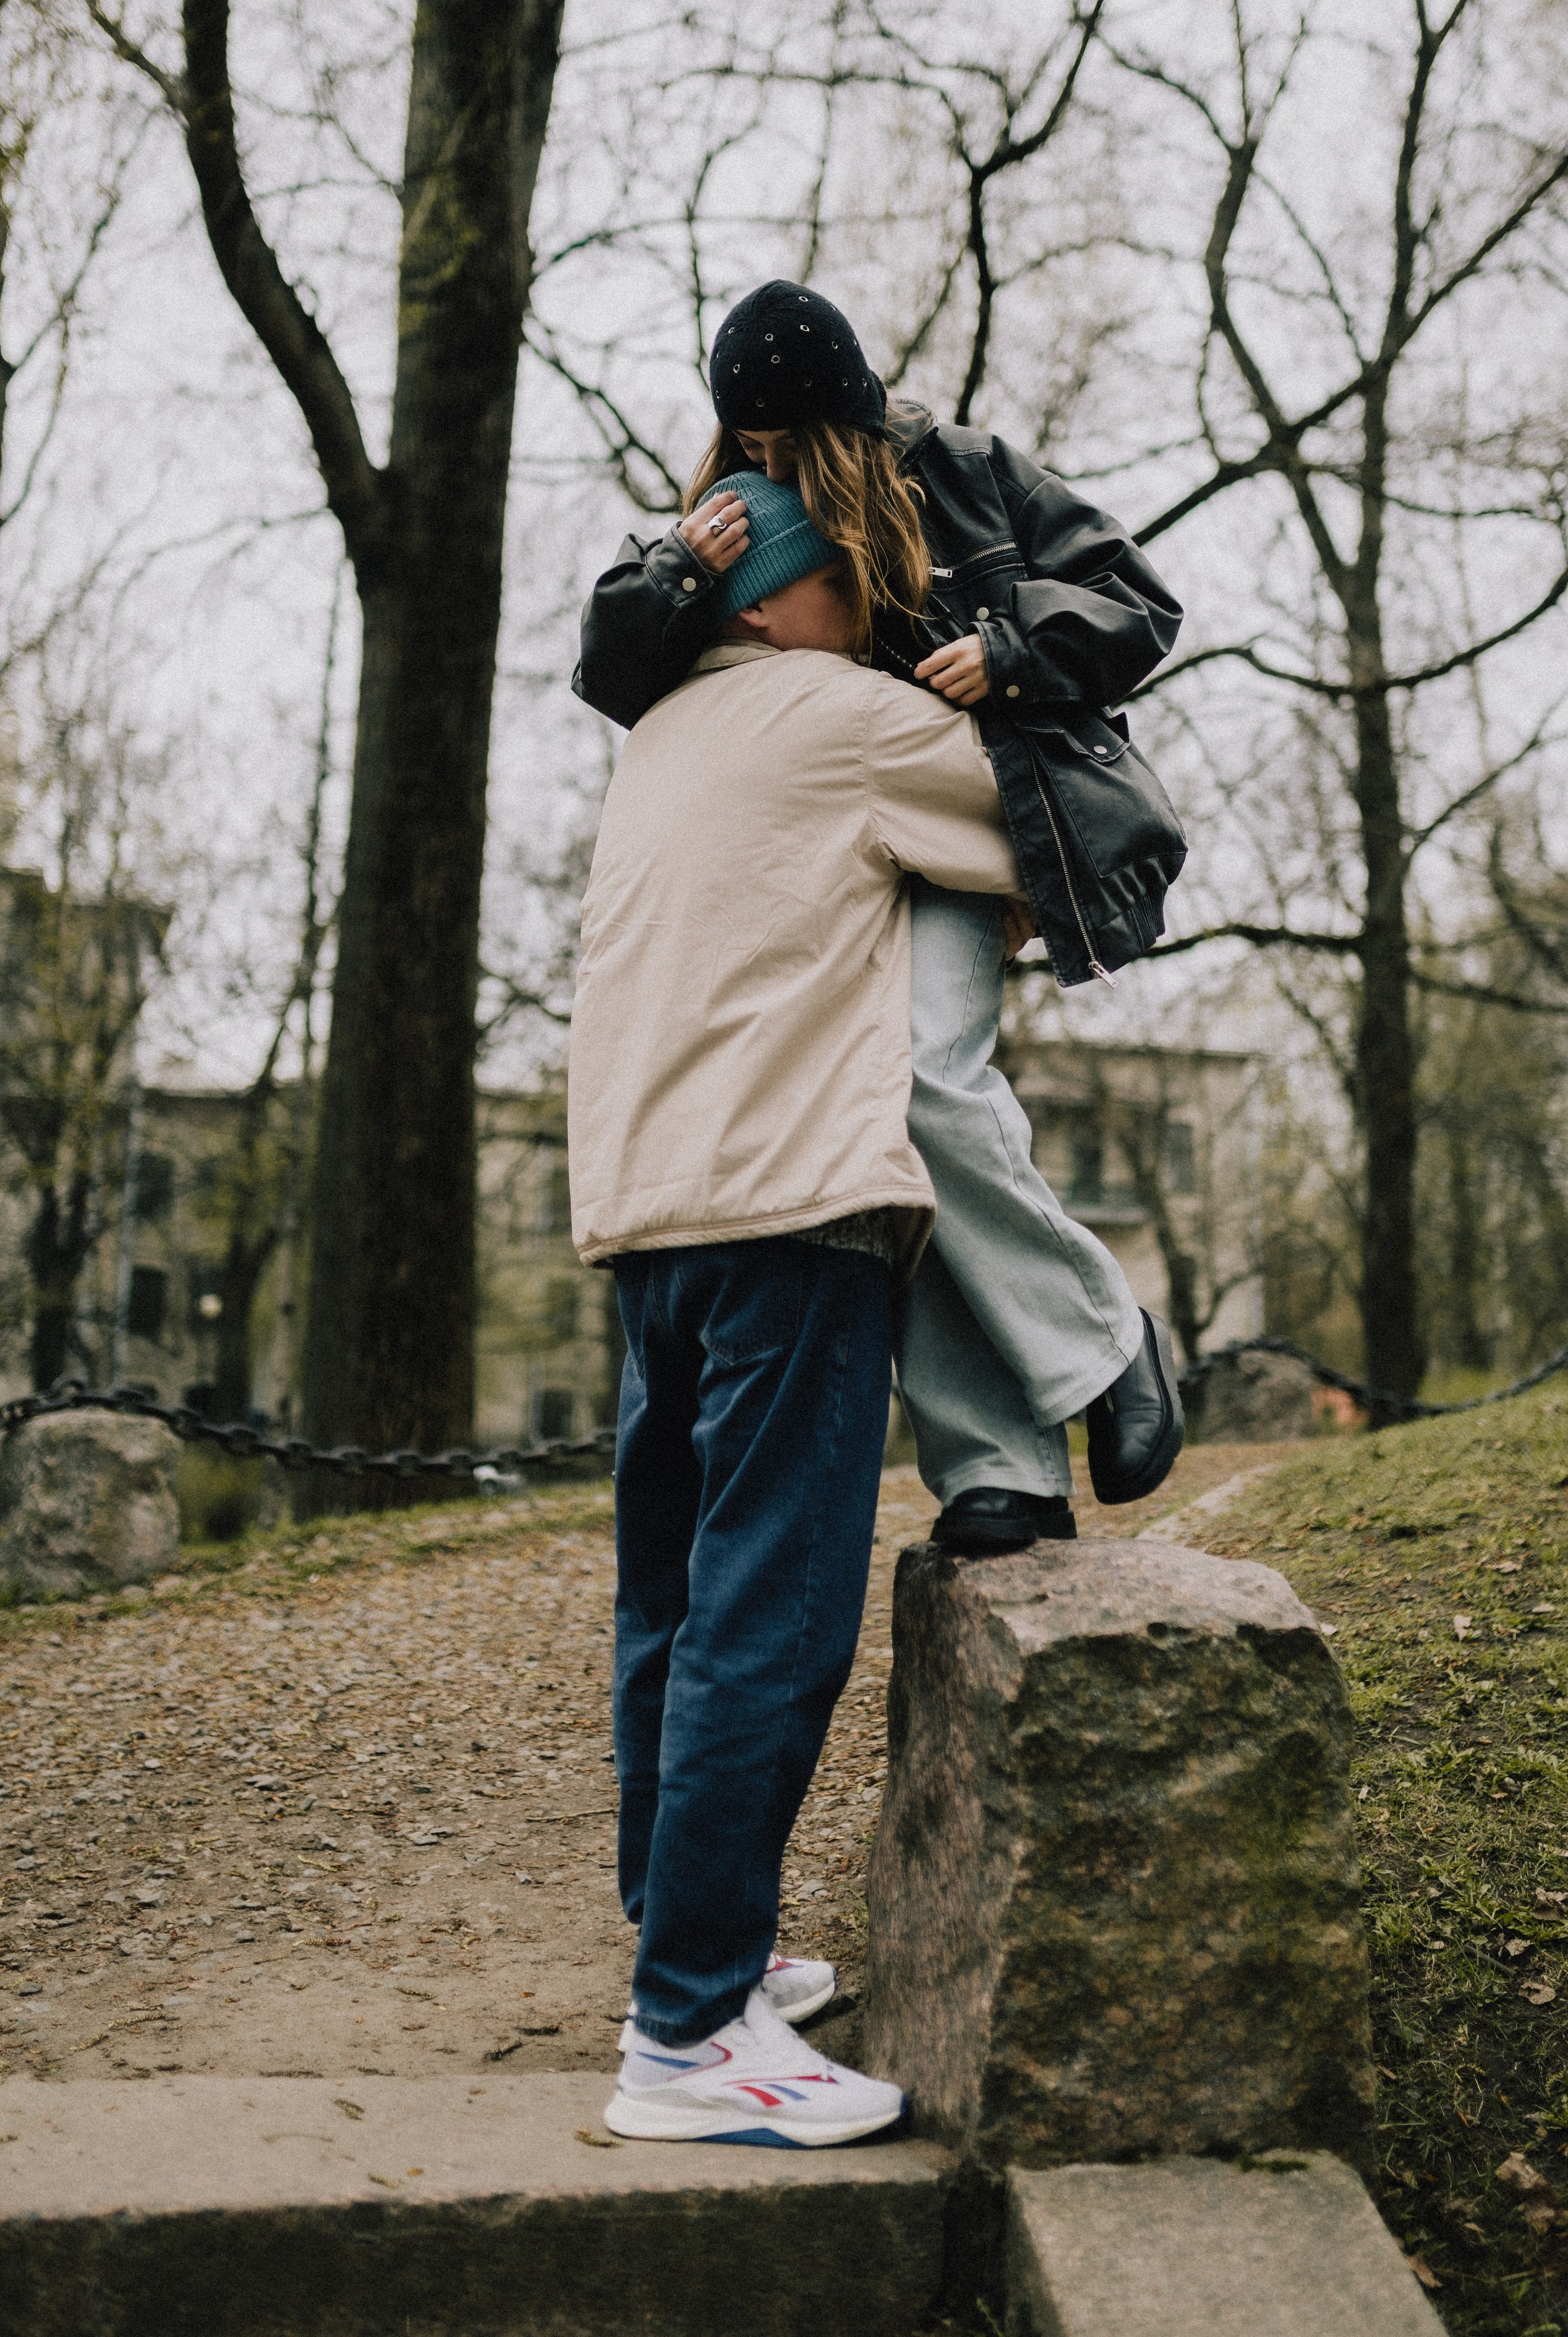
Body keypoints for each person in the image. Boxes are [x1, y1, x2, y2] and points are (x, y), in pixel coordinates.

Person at [574, 279, 1189, 1557]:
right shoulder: (725, 515)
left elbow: (1138, 605)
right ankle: (1000, 1471)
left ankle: (1103, 1342)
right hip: (826, 853)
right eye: (748, 443)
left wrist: (1013, 651)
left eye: (788, 443)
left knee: (924, 1084)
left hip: (962, 815)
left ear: (844, 416)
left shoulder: (962, 472)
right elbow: (616, 673)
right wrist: (686, 566)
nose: (766, 465)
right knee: (874, 1148)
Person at [568, 484, 1031, 2145]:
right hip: (793, 1208)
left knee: (672, 1607)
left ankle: (703, 1953)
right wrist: (1019, 665)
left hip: (651, 1214)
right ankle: (685, 2042)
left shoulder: (657, 739)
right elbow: (1027, 820)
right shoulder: (846, 718)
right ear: (786, 595)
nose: (882, 606)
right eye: (856, 578)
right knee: (770, 1623)